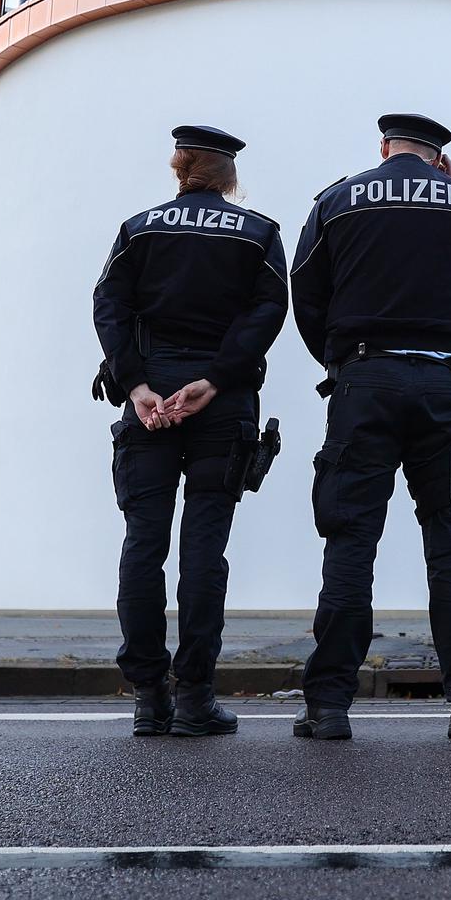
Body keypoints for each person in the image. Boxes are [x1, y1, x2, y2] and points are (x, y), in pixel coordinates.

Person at [288, 114, 451, 742]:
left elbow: (304, 289)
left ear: (384, 147)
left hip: (362, 385)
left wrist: (338, 364)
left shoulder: (338, 199)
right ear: (438, 157)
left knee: (350, 542)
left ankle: (328, 706)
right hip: (443, 388)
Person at [91, 125, 288, 737]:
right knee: (204, 548)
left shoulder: (139, 228)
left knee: (142, 544)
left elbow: (108, 305)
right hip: (221, 403)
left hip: (149, 400)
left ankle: (149, 697)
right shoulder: (258, 233)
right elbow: (269, 311)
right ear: (229, 174)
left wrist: (136, 385)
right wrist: (216, 379)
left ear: (179, 167)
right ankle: (195, 698)